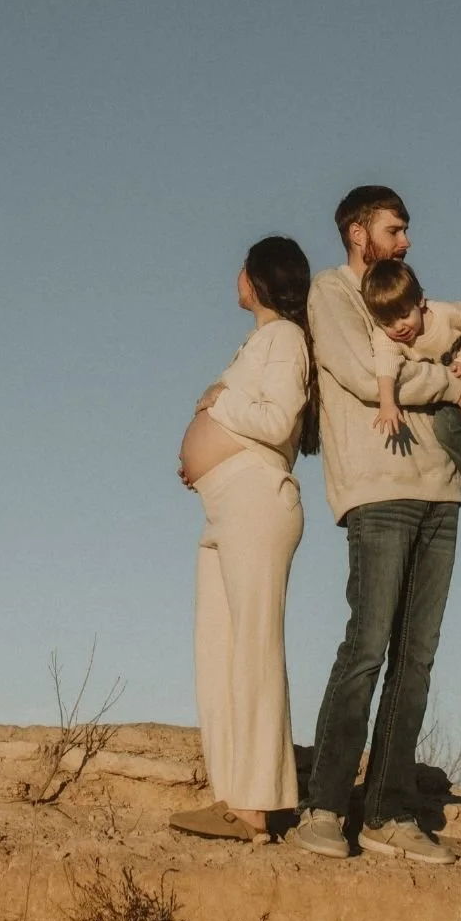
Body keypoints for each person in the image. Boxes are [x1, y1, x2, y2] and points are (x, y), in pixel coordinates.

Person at [290, 186, 461, 865]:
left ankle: (389, 814)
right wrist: (449, 378)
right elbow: (360, 372)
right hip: (377, 490)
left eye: (406, 232)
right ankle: (322, 807)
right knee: (367, 645)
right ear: (356, 229)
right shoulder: (333, 292)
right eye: (394, 229)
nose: (405, 242)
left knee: (417, 657)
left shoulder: (413, 298)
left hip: (442, 490)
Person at [169, 235, 319, 844]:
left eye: (242, 268)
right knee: (218, 651)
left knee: (252, 649)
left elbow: (277, 421)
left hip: (258, 500)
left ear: (256, 278)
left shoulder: (284, 337)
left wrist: (219, 404)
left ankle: (259, 805)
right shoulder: (261, 340)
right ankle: (233, 796)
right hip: (225, 503)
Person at [364, 257, 461, 520]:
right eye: (388, 322)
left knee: (445, 428)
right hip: (440, 389)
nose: (399, 327)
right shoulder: (385, 337)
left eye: (404, 315)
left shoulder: (446, 315)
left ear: (420, 303)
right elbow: (385, 365)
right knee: (443, 432)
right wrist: (388, 403)